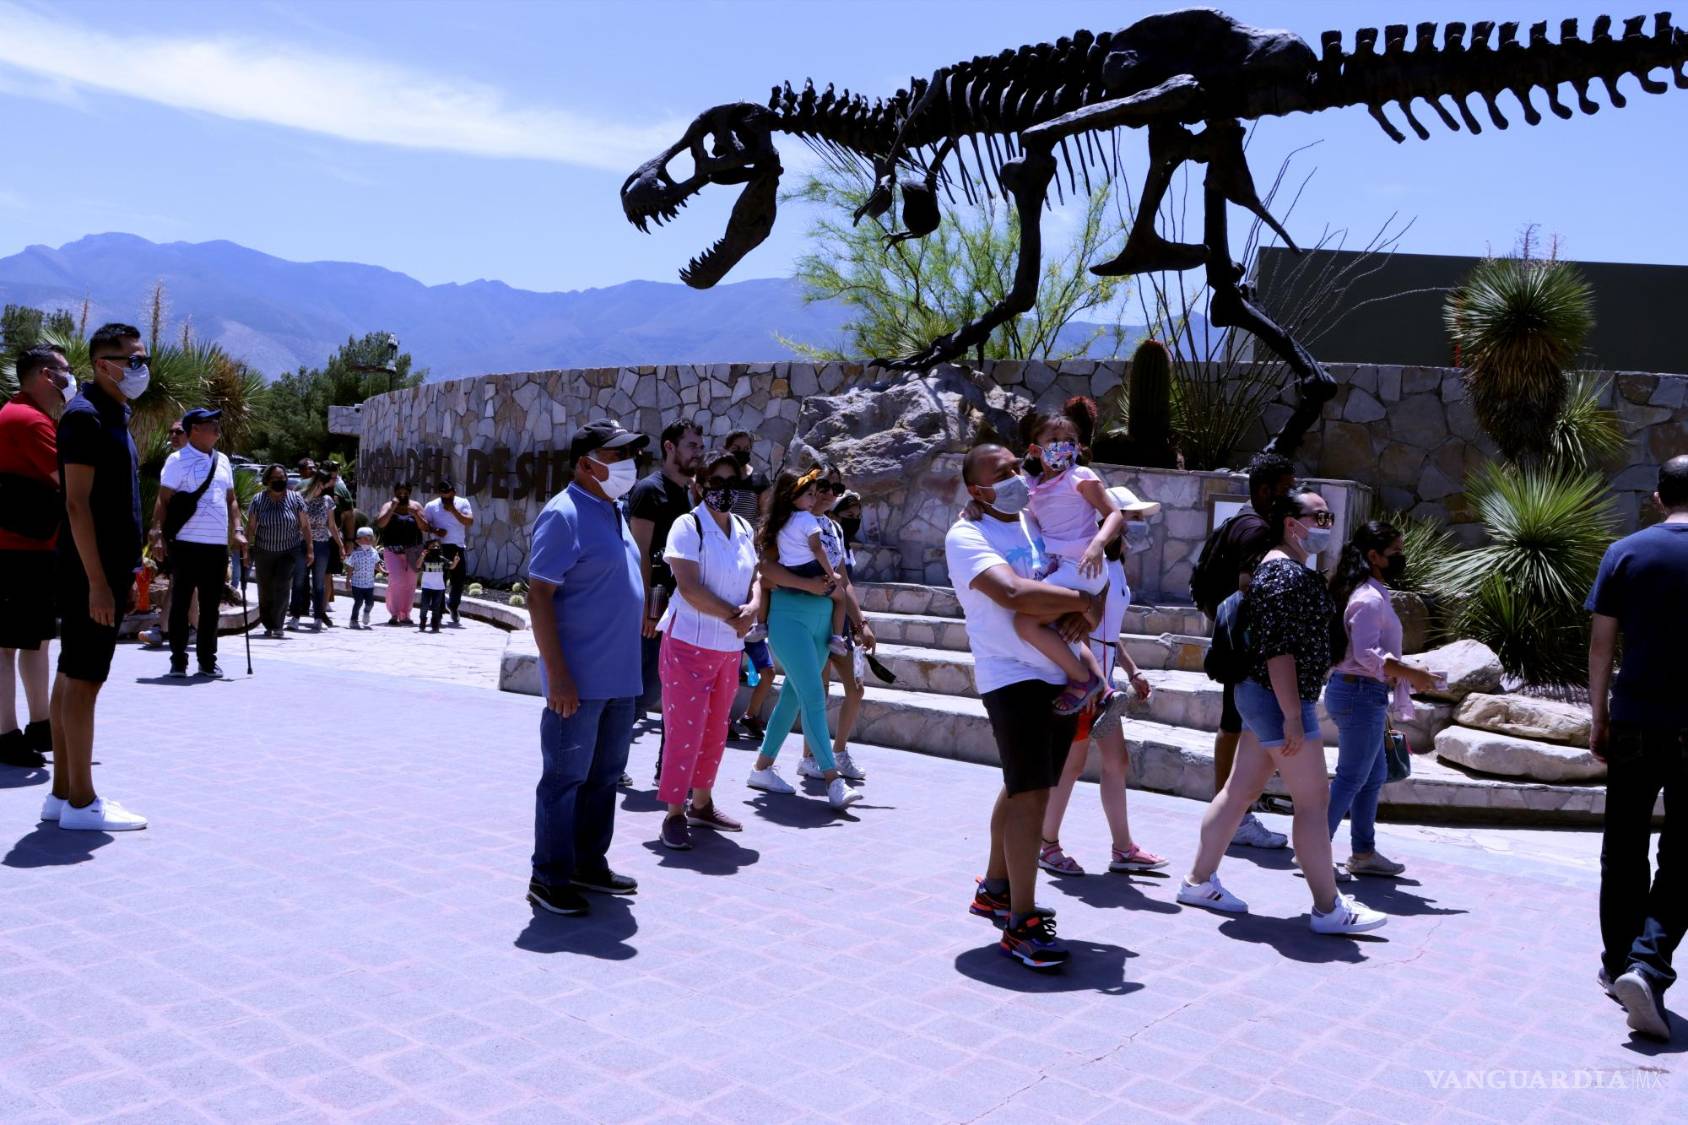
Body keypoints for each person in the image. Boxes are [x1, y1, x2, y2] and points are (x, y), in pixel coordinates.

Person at [1178, 487, 1387, 935]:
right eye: (1319, 517)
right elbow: (1279, 652)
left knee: (1239, 791)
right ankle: (1328, 908)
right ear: (1292, 524)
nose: (1326, 526)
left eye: (1329, 518)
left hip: (1265, 698)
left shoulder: (1278, 570)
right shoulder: (1286, 575)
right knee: (1314, 803)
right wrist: (1294, 716)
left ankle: (1198, 880)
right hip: (1279, 700)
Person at [948, 443, 1107, 970]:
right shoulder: (966, 536)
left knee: (1023, 786)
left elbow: (1071, 578)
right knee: (1032, 793)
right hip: (1010, 676)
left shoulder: (1031, 522)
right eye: (1003, 472)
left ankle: (995, 889)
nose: (1018, 476)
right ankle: (1022, 924)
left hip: (1057, 673)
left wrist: (1087, 602)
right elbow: (1015, 594)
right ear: (977, 489)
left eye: (1019, 466)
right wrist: (1081, 604)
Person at [525, 419, 649, 917]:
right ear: (585, 464)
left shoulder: (612, 509)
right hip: (578, 682)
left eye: (627, 456)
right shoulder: (564, 514)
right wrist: (558, 675)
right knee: (564, 780)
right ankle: (548, 877)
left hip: (619, 678)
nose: (625, 465)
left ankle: (586, 863)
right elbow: (539, 596)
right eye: (614, 456)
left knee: (604, 779)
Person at [1587, 455, 1688, 1041]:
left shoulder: (1625, 552)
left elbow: (1602, 648)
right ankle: (1649, 964)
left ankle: (1620, 963)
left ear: (1656, 498)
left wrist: (1598, 718)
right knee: (1686, 853)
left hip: (1633, 723)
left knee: (1623, 845)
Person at [46, 323, 149, 831]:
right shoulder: (85, 418)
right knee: (85, 680)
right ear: (101, 363)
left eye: (142, 358)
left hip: (101, 569)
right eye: (130, 359)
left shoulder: (113, 415)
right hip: (91, 572)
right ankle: (84, 804)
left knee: (72, 673)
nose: (139, 368)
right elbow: (76, 504)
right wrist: (99, 583)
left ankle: (62, 793)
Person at [1038, 485, 1168, 877]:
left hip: (1103, 680)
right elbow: (1077, 626)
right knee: (1073, 764)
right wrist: (1095, 677)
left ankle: (1122, 848)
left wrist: (1131, 669)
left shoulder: (1113, 566)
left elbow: (1110, 630)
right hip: (1084, 679)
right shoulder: (1087, 564)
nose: (1136, 526)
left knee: (1115, 761)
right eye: (1131, 518)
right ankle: (1047, 844)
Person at [1190, 451, 1298, 850]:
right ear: (1265, 490)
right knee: (1236, 724)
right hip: (1248, 647)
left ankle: (1231, 810)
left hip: (1240, 644)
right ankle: (1232, 813)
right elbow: (1251, 587)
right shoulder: (1255, 532)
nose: (1292, 496)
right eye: (1286, 490)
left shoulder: (1242, 521)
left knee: (1235, 723)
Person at [1324, 521, 1440, 880]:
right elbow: (1367, 654)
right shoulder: (1369, 598)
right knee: (1351, 777)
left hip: (1363, 692)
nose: (1401, 558)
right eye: (1396, 553)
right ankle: (1312, 848)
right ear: (1373, 556)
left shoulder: (1368, 591)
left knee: (1371, 775)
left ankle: (1363, 852)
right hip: (1360, 692)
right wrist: (1413, 674)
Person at [654, 452, 759, 849]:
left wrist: (752, 607)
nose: (725, 490)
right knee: (685, 732)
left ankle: (702, 804)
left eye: (733, 482)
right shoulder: (687, 525)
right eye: (716, 482)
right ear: (699, 485)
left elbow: (757, 576)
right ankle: (674, 813)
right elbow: (689, 587)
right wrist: (737, 615)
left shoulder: (745, 527)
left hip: (728, 649)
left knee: (716, 731)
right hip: (688, 645)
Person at [743, 469, 861, 810]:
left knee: (793, 698)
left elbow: (840, 578)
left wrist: (858, 619)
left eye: (827, 489)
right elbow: (766, 571)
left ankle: (762, 767)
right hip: (789, 618)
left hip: (823, 620)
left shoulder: (828, 527)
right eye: (815, 489)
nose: (822, 495)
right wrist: (809, 585)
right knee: (812, 694)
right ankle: (831, 779)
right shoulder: (778, 528)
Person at [1014, 411, 1128, 719]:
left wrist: (1097, 544)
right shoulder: (1033, 485)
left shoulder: (1080, 477)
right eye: (1053, 441)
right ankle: (1103, 690)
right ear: (1035, 449)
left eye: (1069, 441)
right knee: (1066, 628)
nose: (1062, 447)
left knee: (1025, 621)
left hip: (1082, 568)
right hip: (1064, 569)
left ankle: (1083, 680)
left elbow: (1114, 514)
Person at [0, 344, 72, 770]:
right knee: (7, 645)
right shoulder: (29, 421)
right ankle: (6, 735)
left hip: (28, 548)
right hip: (18, 550)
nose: (68, 380)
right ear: (46, 375)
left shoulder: (20, 415)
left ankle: (39, 724)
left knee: (33, 640)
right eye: (64, 372)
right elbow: (66, 479)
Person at [150, 407, 243, 678]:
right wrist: (156, 534)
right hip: (185, 543)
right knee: (180, 601)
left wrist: (237, 529)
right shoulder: (177, 460)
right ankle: (179, 660)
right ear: (195, 430)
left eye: (216, 422)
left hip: (215, 545)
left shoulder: (223, 460)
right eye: (210, 423)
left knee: (210, 605)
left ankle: (207, 660)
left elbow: (232, 499)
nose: (216, 427)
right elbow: (164, 499)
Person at [797, 472, 872, 782]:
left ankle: (839, 751)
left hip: (838, 622)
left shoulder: (835, 528)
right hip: (810, 616)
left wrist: (861, 622)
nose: (829, 493)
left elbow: (845, 579)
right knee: (819, 689)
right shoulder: (798, 523)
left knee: (855, 688)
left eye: (836, 488)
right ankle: (809, 756)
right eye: (823, 487)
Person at [629, 420, 705, 719]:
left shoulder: (690, 494)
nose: (697, 453)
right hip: (656, 602)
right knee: (643, 688)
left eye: (700, 446)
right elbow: (641, 553)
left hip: (683, 604)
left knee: (658, 687)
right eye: (691, 446)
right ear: (669, 447)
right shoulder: (649, 490)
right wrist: (648, 607)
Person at [245, 464, 310, 639]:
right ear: (267, 480)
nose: (279, 482)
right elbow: (251, 527)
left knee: (282, 585)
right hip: (263, 550)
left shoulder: (295, 499)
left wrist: (310, 550)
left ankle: (278, 624)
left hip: (288, 550)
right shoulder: (258, 499)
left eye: (282, 478)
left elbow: (305, 525)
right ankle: (268, 622)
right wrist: (245, 549)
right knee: (265, 589)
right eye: (275, 479)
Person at [290, 464, 344, 631]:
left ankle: (318, 617)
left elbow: (332, 525)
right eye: (323, 483)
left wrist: (341, 545)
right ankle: (295, 616)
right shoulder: (300, 497)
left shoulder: (327, 501)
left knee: (319, 582)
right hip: (301, 543)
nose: (325, 486)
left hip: (321, 544)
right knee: (299, 580)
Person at [423, 479, 475, 626]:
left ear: (454, 492)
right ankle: (438, 611)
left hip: (457, 547)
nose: (446, 498)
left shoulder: (462, 502)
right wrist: (435, 530)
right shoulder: (431, 506)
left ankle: (453, 605)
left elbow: (469, 521)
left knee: (458, 579)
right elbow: (424, 525)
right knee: (439, 580)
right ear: (440, 493)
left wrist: (452, 509)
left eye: (449, 495)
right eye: (443, 495)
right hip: (438, 549)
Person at [375, 482, 427, 626]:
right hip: (392, 550)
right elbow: (380, 524)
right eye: (400, 492)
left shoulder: (416, 506)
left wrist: (415, 514)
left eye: (405, 493)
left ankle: (406, 613)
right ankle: (394, 613)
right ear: (395, 492)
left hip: (413, 550)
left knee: (410, 583)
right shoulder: (388, 505)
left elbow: (425, 527)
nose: (402, 495)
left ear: (410, 492)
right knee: (396, 580)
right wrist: (392, 508)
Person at [725, 429, 772, 522]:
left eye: (746, 449)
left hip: (748, 535)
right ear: (727, 448)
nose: (741, 452)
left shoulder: (759, 480)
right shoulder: (719, 478)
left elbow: (765, 516)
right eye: (736, 448)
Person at [416, 538, 456, 633]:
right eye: (433, 546)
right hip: (426, 586)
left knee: (436, 607)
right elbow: (417, 566)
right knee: (424, 606)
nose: (435, 548)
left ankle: (435, 623)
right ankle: (422, 621)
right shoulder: (425, 558)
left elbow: (451, 566)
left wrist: (456, 561)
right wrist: (422, 556)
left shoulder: (442, 559)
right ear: (428, 548)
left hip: (438, 588)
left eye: (437, 546)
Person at [344, 527, 380, 629]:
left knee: (370, 602)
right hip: (357, 584)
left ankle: (366, 612)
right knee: (358, 602)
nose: (369, 540)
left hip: (369, 584)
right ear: (358, 540)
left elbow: (377, 565)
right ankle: (353, 620)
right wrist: (347, 581)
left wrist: (384, 571)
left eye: (370, 538)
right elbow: (350, 567)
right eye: (366, 538)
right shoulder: (355, 553)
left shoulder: (374, 552)